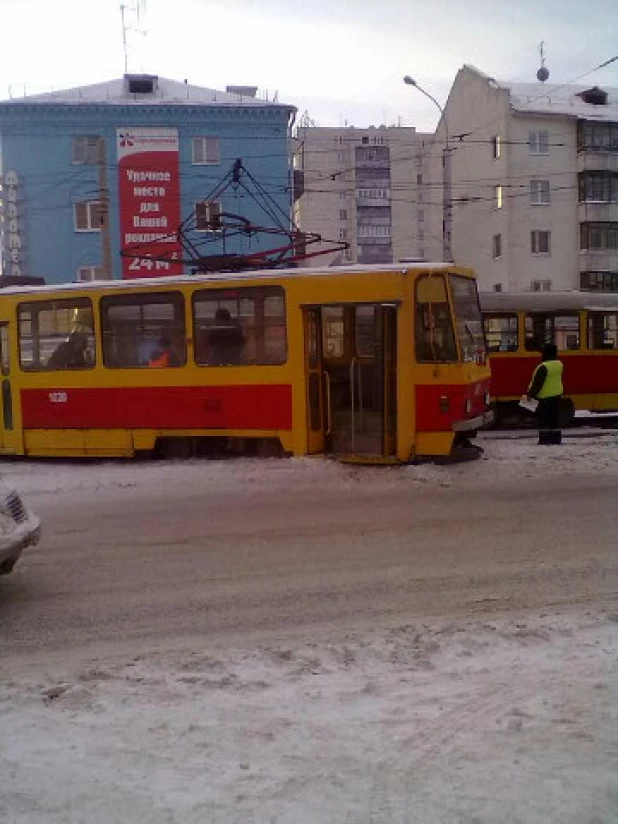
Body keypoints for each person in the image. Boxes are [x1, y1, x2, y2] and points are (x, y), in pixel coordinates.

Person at [527, 342, 564, 445]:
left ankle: (544, 439)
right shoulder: (559, 365)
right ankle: (556, 439)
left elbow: (537, 383)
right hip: (557, 396)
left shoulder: (543, 367)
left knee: (544, 420)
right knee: (554, 419)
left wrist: (531, 394)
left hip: (544, 397)